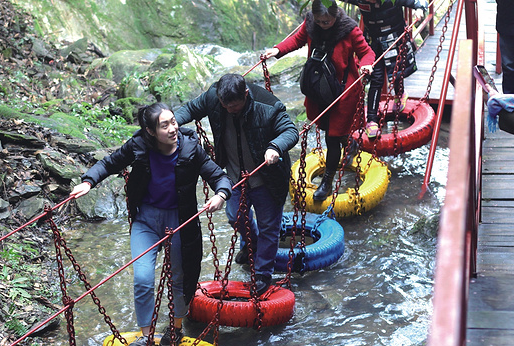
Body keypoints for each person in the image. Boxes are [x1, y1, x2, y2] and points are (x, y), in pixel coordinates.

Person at [70, 102, 231, 346]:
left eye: (173, 122)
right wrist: (89, 182)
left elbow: (218, 176)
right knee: (143, 279)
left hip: (180, 221)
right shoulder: (138, 147)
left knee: (179, 278)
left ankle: (175, 330)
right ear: (150, 131)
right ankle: (146, 337)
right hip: (145, 221)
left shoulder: (191, 149)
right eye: (164, 125)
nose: (172, 129)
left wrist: (221, 194)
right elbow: (110, 163)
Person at [175, 73, 299, 296]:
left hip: (267, 178)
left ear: (246, 94)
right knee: (235, 216)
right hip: (233, 176)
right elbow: (190, 109)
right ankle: (250, 244)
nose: (231, 109)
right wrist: (168, 125)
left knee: (269, 225)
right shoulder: (213, 97)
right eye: (226, 105)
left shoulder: (268, 105)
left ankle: (262, 273)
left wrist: (275, 146)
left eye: (235, 105)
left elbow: (291, 131)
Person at [264, 0, 375, 201]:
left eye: (328, 21)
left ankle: (327, 181)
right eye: (320, 21)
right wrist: (277, 50)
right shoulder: (310, 23)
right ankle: (349, 143)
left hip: (343, 90)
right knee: (325, 127)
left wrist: (366, 65)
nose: (324, 24)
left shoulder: (349, 29)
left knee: (332, 138)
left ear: (335, 16)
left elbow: (366, 52)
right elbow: (297, 40)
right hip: (319, 86)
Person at [343, 0, 428, 137]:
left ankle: (399, 94)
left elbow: (419, 1)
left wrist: (420, 9)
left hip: (395, 38)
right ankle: (371, 120)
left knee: (396, 71)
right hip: (372, 42)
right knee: (376, 79)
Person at [497, 0, 514, 94]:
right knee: (509, 67)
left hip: (506, 21)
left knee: (509, 67)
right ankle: (509, 104)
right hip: (507, 22)